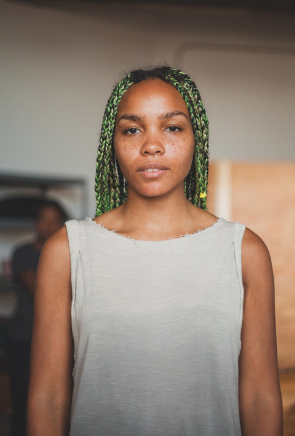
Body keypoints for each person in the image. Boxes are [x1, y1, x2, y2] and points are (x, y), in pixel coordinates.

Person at [27, 66, 282, 435]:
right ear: (111, 144)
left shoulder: (243, 250)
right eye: (132, 129)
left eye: (172, 127)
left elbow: (260, 398)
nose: (151, 145)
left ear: (197, 139)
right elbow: (47, 398)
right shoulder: (68, 249)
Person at [6, 200, 68, 436]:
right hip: (24, 338)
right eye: (44, 219)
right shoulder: (22, 253)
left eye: (54, 219)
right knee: (23, 401)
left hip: (57, 341)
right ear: (36, 223)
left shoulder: (68, 252)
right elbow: (40, 291)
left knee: (53, 403)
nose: (49, 224)